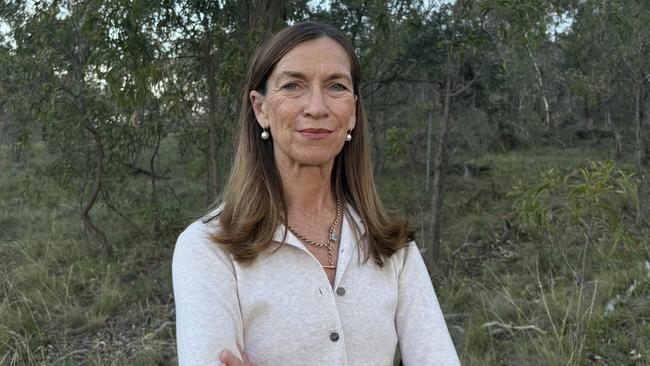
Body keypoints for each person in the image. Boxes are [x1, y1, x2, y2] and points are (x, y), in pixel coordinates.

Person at [172, 21, 460, 366]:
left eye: (336, 86)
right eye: (293, 85)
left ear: (352, 111)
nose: (317, 106)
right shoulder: (209, 247)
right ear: (260, 108)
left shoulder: (391, 246)